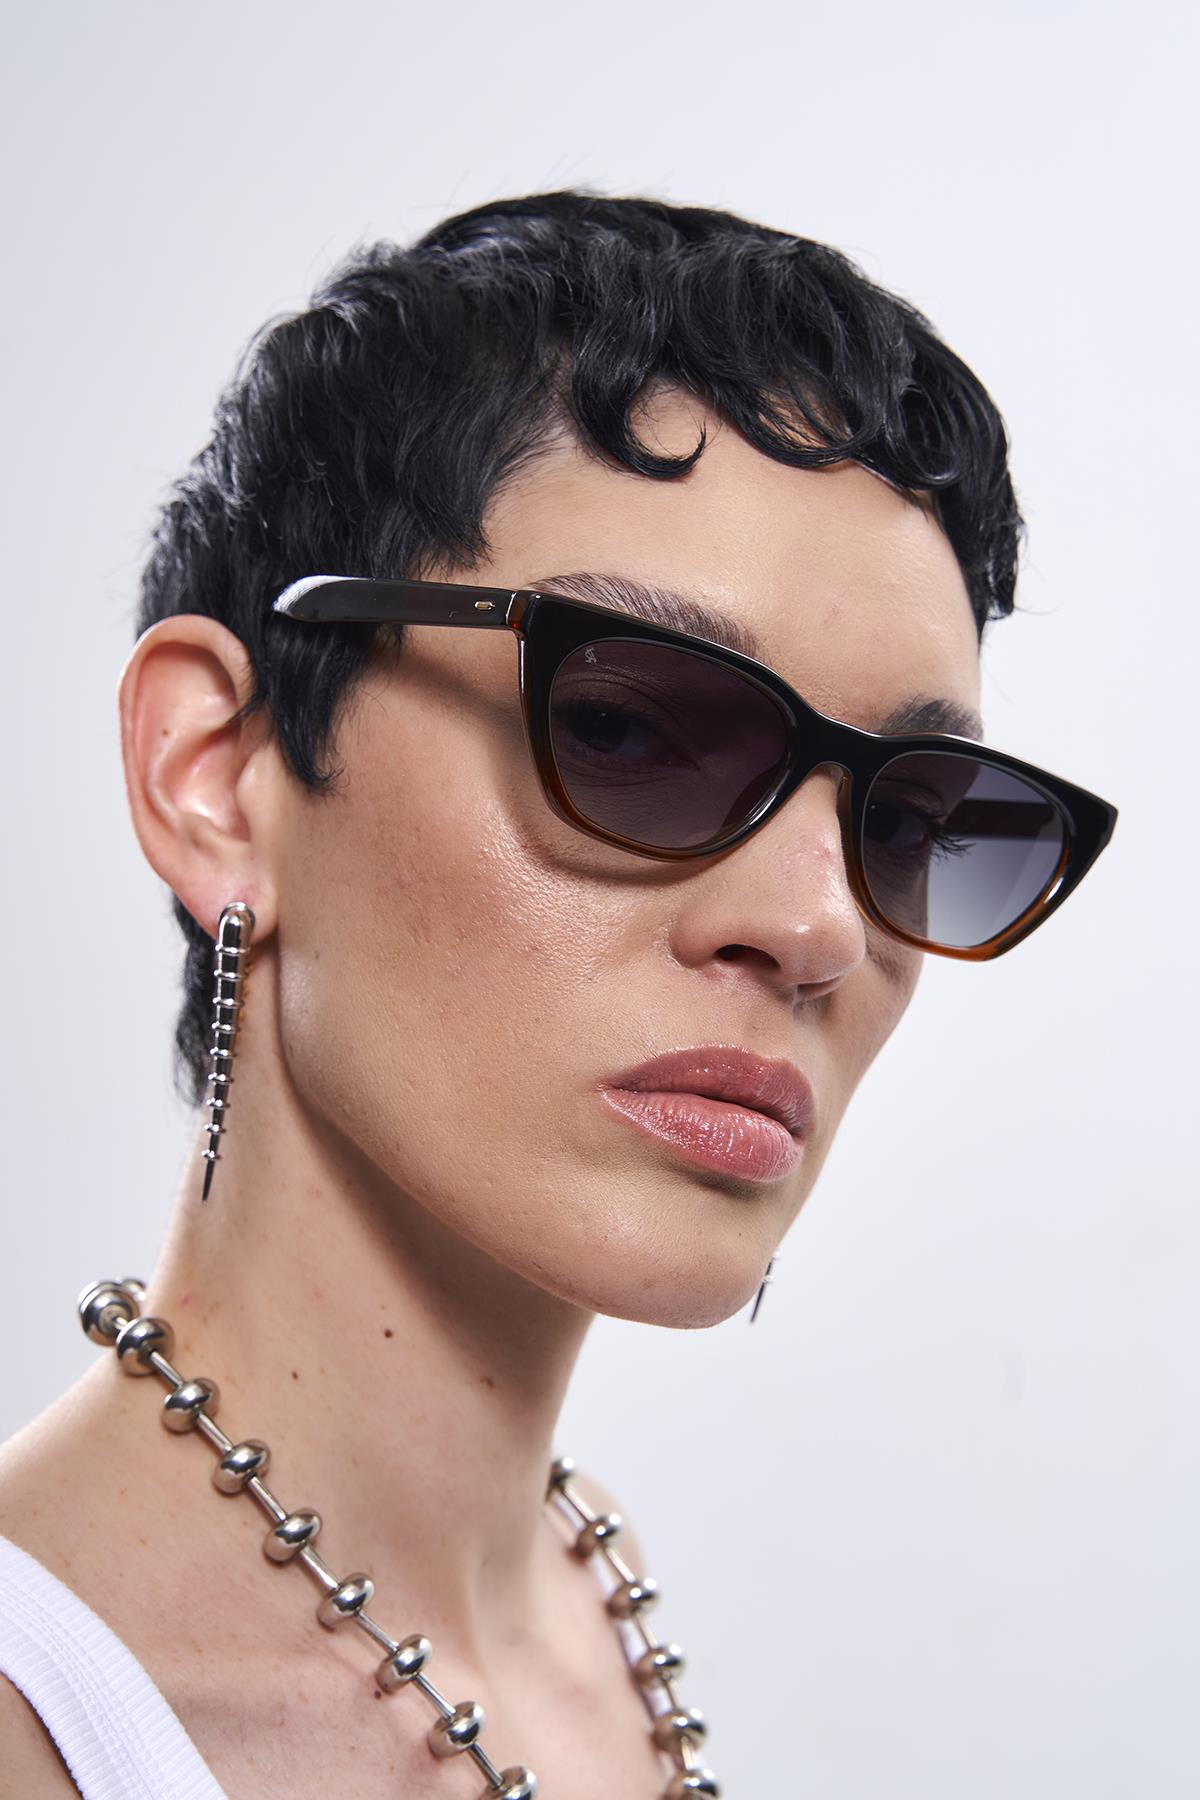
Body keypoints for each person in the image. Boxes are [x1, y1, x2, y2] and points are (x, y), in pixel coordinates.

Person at [0, 190, 1116, 1799]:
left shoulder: (603, 1596)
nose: (816, 925)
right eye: (628, 730)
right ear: (218, 779)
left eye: (911, 818)